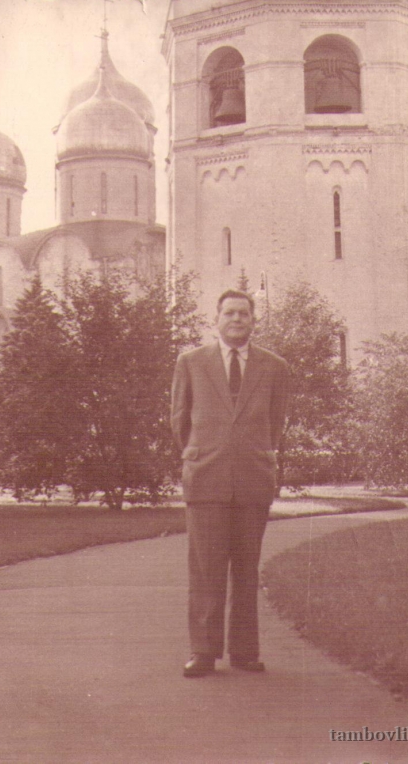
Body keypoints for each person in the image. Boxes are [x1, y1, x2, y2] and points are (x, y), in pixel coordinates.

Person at [171, 289, 289, 677]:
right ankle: (203, 652)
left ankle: (244, 652)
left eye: (244, 314)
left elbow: (276, 421)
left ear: (253, 320)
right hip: (206, 477)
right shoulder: (191, 363)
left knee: (246, 569)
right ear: (216, 319)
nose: (237, 319)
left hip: (253, 478)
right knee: (206, 569)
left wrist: (254, 452)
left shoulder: (274, 366)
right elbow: (179, 419)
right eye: (229, 313)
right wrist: (201, 453)